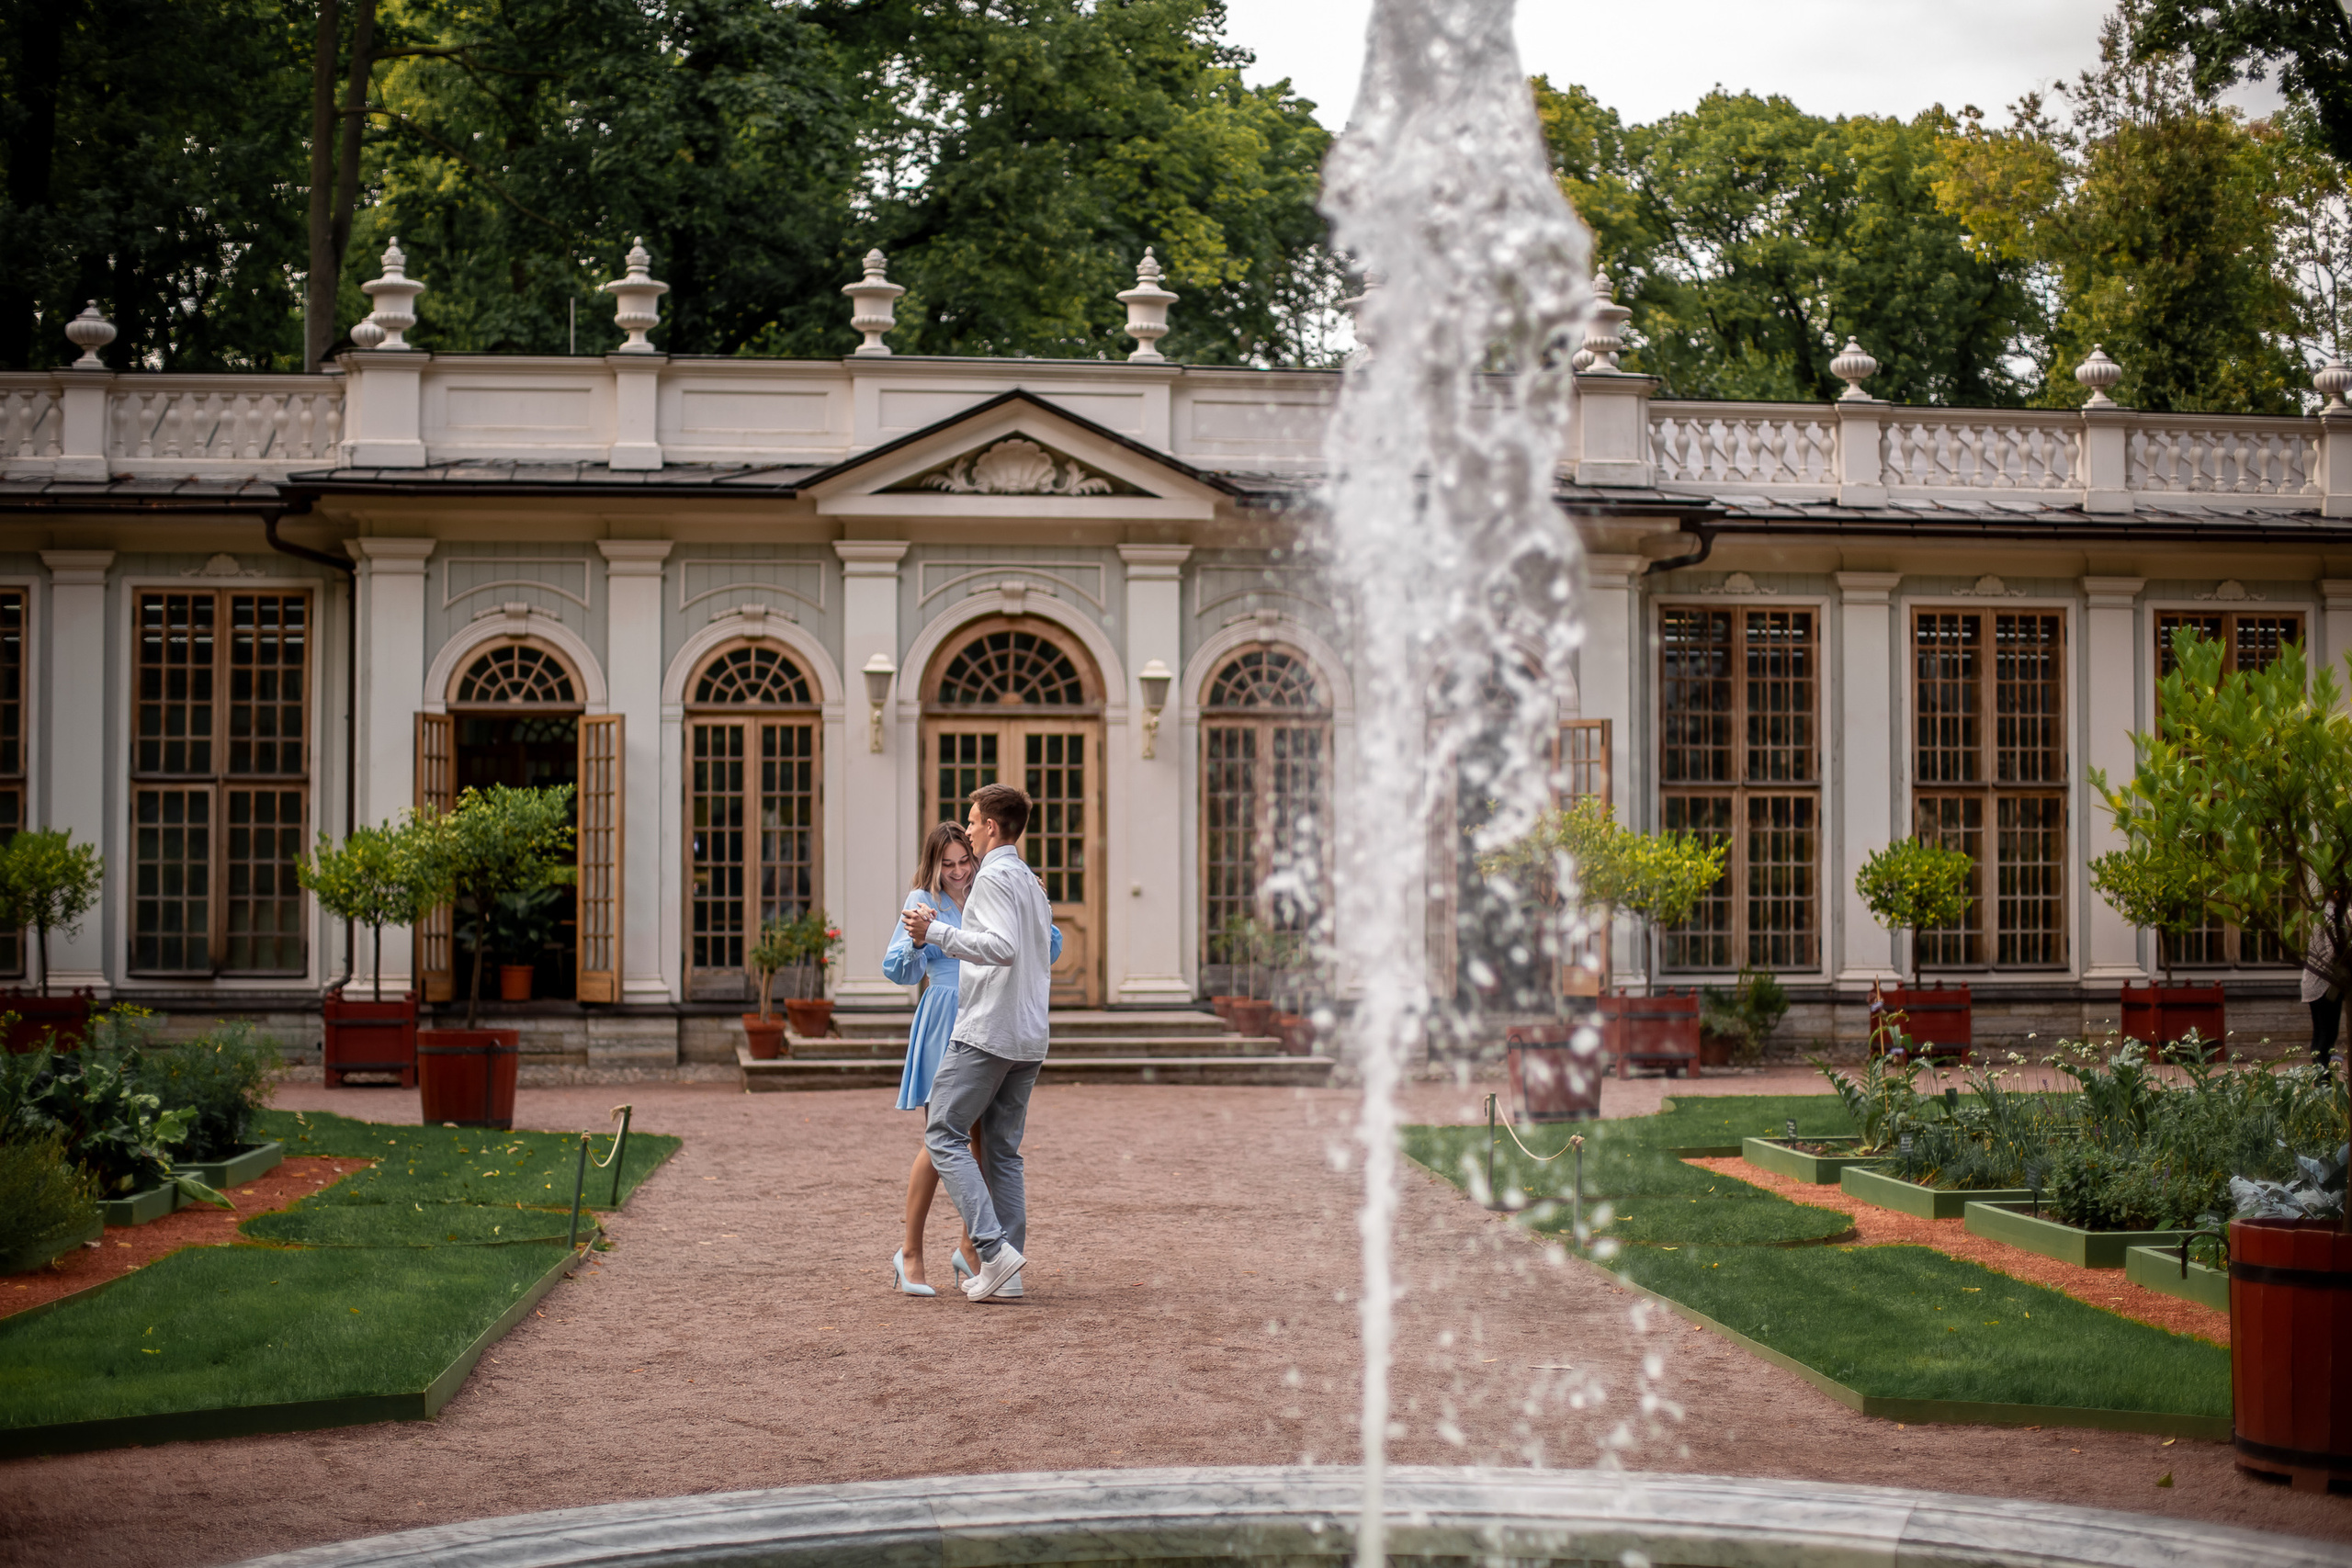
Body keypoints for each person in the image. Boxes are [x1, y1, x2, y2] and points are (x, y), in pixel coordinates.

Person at [882, 820, 1059, 1295]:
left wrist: (1039, 910)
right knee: (939, 1139)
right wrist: (920, 940)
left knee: (981, 1144)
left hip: (989, 1016)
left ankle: (972, 1249)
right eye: (949, 865)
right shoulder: (922, 899)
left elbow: (1049, 945)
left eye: (965, 861)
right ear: (934, 866)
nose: (959, 872)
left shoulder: (995, 887)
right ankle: (911, 1252)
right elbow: (897, 969)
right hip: (946, 1015)